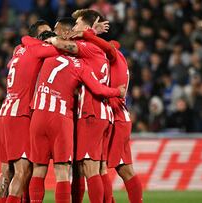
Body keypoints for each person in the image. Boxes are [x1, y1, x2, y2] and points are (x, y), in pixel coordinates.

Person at [29, 31, 125, 203]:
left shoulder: (47, 56)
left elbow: (27, 42)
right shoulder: (79, 65)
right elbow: (98, 89)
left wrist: (50, 40)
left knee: (38, 169)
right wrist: (118, 91)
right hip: (60, 118)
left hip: (38, 115)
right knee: (63, 172)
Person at [46, 10, 116, 203]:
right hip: (101, 113)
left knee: (89, 167)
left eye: (76, 24)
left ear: (85, 28)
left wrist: (50, 39)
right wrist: (93, 31)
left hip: (91, 112)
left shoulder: (86, 47)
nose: (74, 28)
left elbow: (61, 44)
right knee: (97, 167)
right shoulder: (99, 49)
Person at [0, 20, 60, 203]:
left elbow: (11, 65)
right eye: (45, 34)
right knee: (23, 171)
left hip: (5, 111)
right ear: (36, 38)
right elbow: (64, 49)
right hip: (20, 114)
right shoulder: (37, 49)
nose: (49, 37)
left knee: (6, 171)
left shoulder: (19, 50)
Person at [78, 28, 144, 203]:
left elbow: (110, 47)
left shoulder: (115, 56)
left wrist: (86, 35)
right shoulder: (112, 58)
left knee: (124, 169)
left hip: (117, 116)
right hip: (114, 115)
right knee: (101, 167)